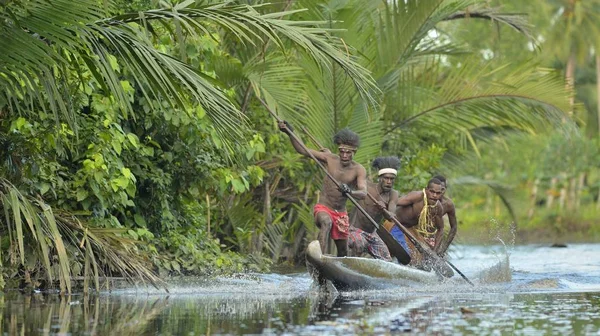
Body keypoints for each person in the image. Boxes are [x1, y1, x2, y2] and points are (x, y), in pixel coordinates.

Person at [278, 121, 367, 257]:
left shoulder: (358, 169)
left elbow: (363, 193)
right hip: (323, 208)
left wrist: (350, 191)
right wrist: (289, 132)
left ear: (354, 152)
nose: (344, 155)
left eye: (348, 153)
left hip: (341, 214)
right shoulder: (329, 158)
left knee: (343, 251)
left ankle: (338, 272)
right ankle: (321, 258)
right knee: (326, 222)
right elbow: (303, 150)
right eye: (341, 152)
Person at [347, 157, 400, 261]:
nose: (389, 182)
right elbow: (347, 175)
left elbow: (391, 216)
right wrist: (348, 191)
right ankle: (349, 268)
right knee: (359, 244)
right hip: (354, 230)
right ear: (380, 178)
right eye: (386, 178)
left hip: (372, 234)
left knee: (387, 260)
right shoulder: (367, 187)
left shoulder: (393, 194)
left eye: (392, 179)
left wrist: (384, 209)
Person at [395, 178, 445, 253]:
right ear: (426, 190)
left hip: (410, 230)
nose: (434, 195)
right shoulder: (417, 196)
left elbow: (441, 229)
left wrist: (434, 251)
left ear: (441, 194)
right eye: (432, 192)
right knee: (404, 252)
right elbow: (394, 202)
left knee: (423, 253)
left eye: (438, 193)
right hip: (395, 224)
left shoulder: (438, 208)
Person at [432, 175, 458, 256]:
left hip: (434, 237)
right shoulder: (422, 198)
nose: (440, 191)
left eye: (442, 189)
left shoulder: (448, 204)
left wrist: (443, 249)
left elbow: (454, 227)